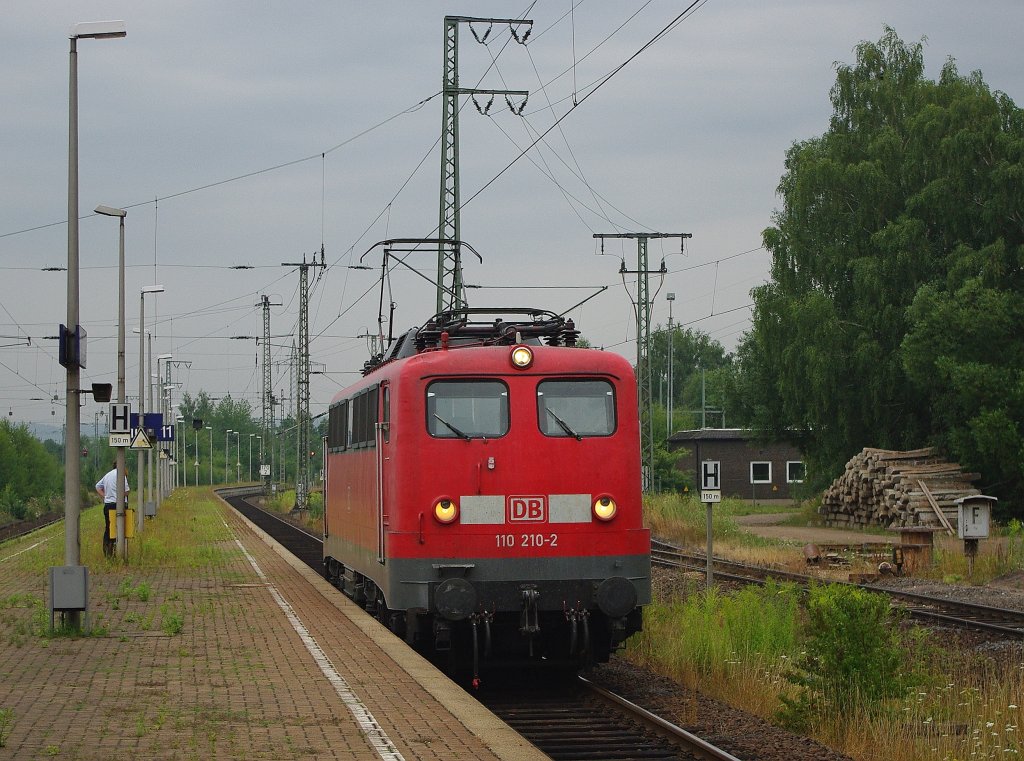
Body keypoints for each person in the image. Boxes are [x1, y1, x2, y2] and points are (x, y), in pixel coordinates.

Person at [96, 461, 130, 558]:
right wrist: (120, 495)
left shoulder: (107, 475)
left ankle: (107, 552)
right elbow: (126, 491)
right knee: (121, 528)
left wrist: (105, 496)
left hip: (108, 505)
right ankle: (119, 550)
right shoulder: (121, 474)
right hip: (119, 505)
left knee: (109, 528)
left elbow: (98, 486)